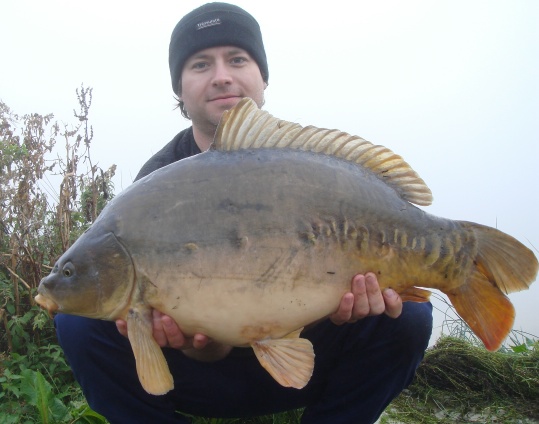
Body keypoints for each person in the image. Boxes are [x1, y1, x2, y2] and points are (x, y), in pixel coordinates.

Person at [54, 3, 433, 423]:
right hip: (205, 376)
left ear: (262, 76)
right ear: (179, 88)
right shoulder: (154, 186)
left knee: (410, 315)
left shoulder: (309, 167)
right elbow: (205, 344)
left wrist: (356, 306)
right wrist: (195, 343)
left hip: (316, 353)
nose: (221, 76)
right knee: (78, 325)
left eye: (237, 59)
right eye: (200, 64)